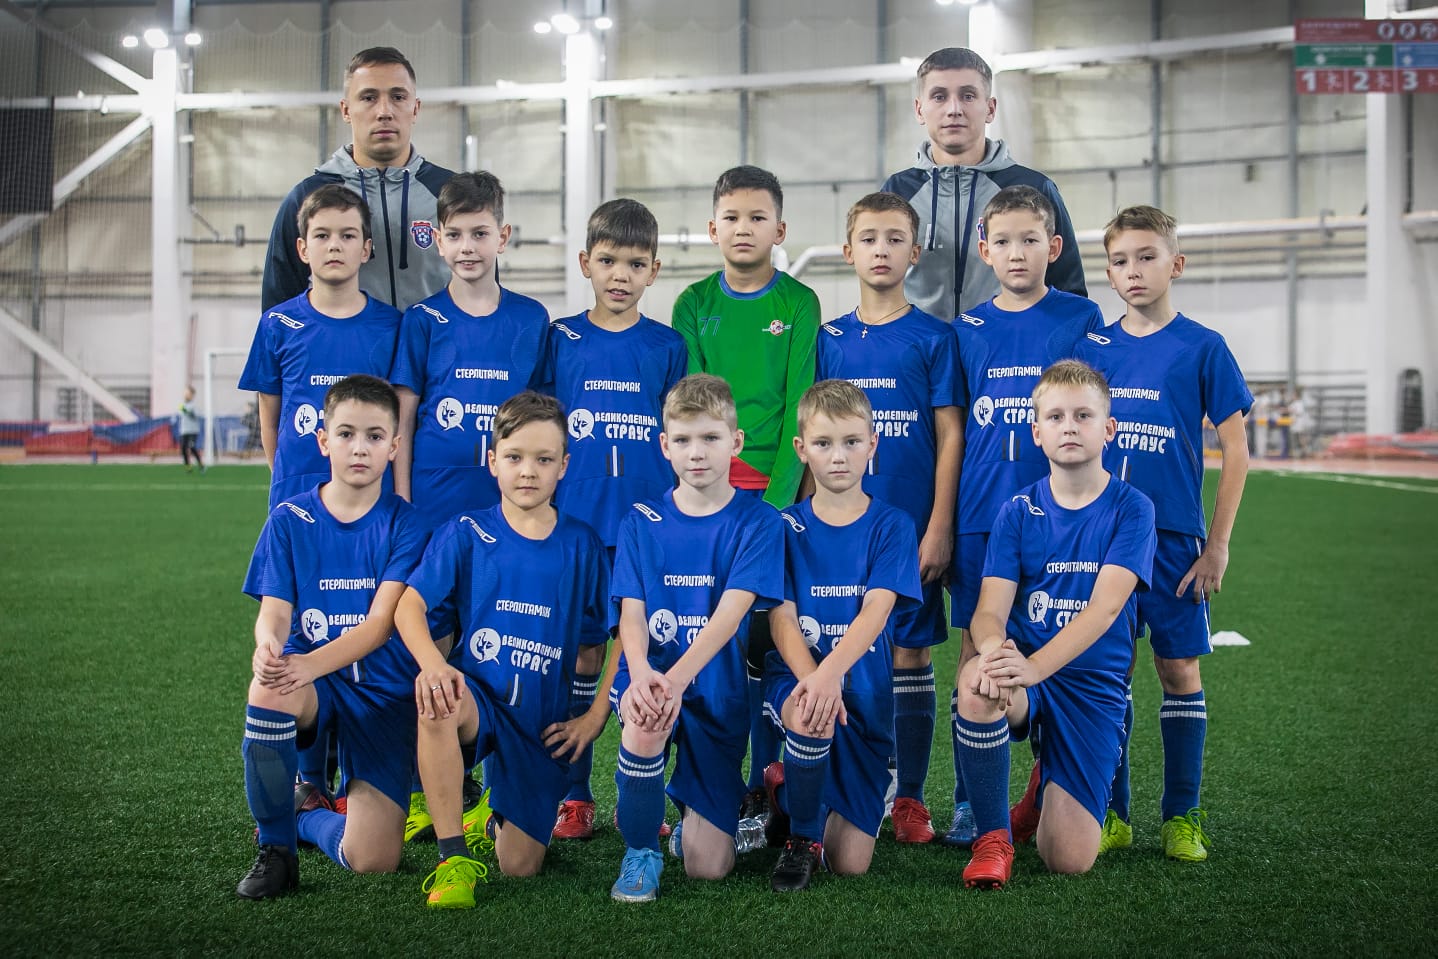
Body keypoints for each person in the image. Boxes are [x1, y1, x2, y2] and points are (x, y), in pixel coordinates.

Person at [1072, 205, 1251, 862]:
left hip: (1175, 540)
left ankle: (1182, 815)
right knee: (1107, 672)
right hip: (1102, 538)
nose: (1133, 270)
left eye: (1147, 256)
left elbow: (1237, 449)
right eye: (1120, 260)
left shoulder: (1203, 347)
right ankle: (1112, 812)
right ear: (1108, 272)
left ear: (1175, 264)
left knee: (1178, 668)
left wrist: (1217, 544)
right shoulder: (1092, 351)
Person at [394, 391, 611, 909]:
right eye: (514, 457)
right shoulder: (466, 531)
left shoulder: (582, 544)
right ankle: (452, 859)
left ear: (564, 466)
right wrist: (434, 666)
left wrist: (595, 715)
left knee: (520, 866)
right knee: (438, 699)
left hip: (539, 723)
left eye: (544, 459)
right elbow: (408, 607)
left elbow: (618, 634)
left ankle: (490, 817)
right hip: (479, 700)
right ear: (492, 461)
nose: (528, 471)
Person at [953, 359, 1156, 890]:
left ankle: (1044, 787)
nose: (1070, 426)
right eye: (1056, 416)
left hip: (1090, 685)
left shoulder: (1133, 509)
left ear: (1109, 428)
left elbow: (1104, 610)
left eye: (1084, 415)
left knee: (1068, 859)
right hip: (1027, 678)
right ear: (1037, 431)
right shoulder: (1018, 510)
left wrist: (1032, 667)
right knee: (976, 683)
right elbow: (989, 611)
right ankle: (993, 839)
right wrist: (995, 653)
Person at [949, 185, 1103, 843]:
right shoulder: (967, 329)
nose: (1017, 253)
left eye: (1030, 240)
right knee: (976, 649)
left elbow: (1090, 409)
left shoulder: (1081, 317)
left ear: (1054, 247)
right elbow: (956, 428)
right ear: (985, 250)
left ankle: (1052, 779)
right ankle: (970, 799)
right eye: (1004, 241)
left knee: (1055, 642)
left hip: (1059, 517)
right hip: (982, 513)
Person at [236, 374, 428, 900]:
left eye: (374, 436)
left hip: (382, 694)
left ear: (394, 446)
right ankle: (276, 848)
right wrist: (268, 645)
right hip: (316, 687)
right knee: (269, 688)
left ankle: (303, 818)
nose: (359, 448)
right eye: (346, 434)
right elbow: (275, 613)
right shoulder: (289, 519)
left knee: (374, 861)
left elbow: (381, 624)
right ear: (323, 441)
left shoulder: (408, 525)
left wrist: (308, 664)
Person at [671, 165, 820, 810]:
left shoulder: (799, 304)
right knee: (711, 634)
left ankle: (767, 778)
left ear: (779, 230)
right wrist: (708, 494)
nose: (743, 228)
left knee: (768, 633)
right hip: (710, 495)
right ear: (713, 228)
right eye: (731, 217)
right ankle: (708, 780)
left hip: (775, 498)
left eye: (758, 218)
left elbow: (800, 407)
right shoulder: (692, 304)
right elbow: (692, 408)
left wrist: (780, 503)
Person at [814, 192, 961, 845]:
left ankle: (910, 797)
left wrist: (939, 525)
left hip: (909, 526)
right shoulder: (829, 339)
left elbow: (950, 435)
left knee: (909, 651)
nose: (881, 249)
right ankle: (850, 783)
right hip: (841, 528)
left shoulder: (934, 337)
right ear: (848, 250)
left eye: (895, 238)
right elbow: (815, 432)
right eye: (869, 238)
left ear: (914, 252)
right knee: (841, 648)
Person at [608, 373, 784, 903]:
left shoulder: (760, 521)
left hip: (716, 688)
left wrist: (677, 680)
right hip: (652, 675)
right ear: (665, 445)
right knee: (646, 717)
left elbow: (730, 615)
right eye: (683, 440)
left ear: (736, 441)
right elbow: (632, 614)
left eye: (710, 437)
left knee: (708, 867)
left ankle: (691, 809)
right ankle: (640, 850)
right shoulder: (641, 520)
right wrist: (643, 674)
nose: (697, 452)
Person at [543, 198, 688, 841]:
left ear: (654, 270)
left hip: (646, 532)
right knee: (580, 652)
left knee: (651, 652)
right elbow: (543, 427)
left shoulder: (667, 345)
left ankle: (651, 795)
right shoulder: (560, 339)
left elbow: (679, 433)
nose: (620, 275)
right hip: (574, 527)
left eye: (634, 263)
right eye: (607, 261)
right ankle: (573, 795)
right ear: (585, 263)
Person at [761, 379, 923, 891]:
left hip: (864, 700)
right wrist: (815, 680)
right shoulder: (783, 526)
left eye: (852, 442)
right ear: (801, 448)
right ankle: (802, 838)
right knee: (811, 713)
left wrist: (831, 674)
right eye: (824, 443)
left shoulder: (893, 525)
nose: (838, 456)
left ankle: (786, 792)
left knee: (851, 862)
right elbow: (781, 618)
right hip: (799, 682)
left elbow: (877, 609)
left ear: (873, 444)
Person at [389, 171, 551, 532]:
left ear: (502, 237)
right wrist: (402, 499)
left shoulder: (531, 318)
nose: (467, 247)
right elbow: (403, 419)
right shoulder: (422, 319)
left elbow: (545, 417)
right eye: (454, 235)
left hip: (509, 500)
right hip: (434, 498)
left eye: (480, 233)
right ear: (438, 241)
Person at [881, 47, 1085, 321]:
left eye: (968, 96)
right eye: (939, 96)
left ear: (990, 108)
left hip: (1008, 345)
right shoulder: (897, 193)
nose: (954, 109)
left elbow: (1071, 295)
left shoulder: (1034, 189)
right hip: (920, 347)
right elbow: (877, 287)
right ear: (920, 109)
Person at [240, 183, 404, 513]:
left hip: (372, 499)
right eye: (322, 235)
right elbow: (269, 421)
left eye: (347, 235)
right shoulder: (277, 324)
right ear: (302, 249)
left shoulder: (394, 326)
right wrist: (286, 478)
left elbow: (400, 419)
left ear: (366, 249)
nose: (334, 246)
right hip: (296, 494)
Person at [262, 46, 454, 312]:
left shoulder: (452, 195)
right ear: (346, 110)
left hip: (435, 341)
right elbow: (278, 313)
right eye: (368, 98)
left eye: (398, 97)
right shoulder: (307, 198)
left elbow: (483, 293)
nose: (384, 111)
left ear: (415, 108)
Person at [178, 385, 204, 473]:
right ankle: (188, 467)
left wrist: (187, 411)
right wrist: (183, 410)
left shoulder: (194, 406)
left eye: (188, 393)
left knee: (192, 447)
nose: (186, 395)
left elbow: (195, 416)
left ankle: (201, 464)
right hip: (184, 430)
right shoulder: (182, 405)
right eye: (185, 393)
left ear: (192, 395)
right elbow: (181, 415)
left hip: (193, 431)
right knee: (183, 448)